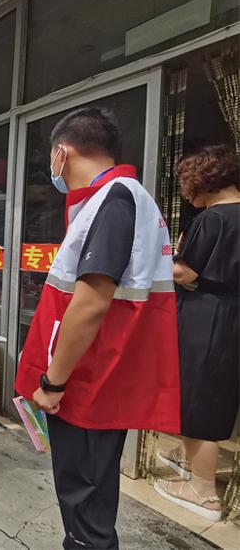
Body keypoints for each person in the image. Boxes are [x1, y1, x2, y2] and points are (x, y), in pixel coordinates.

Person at [14, 108, 180, 549]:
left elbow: (91, 301)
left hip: (90, 382)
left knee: (85, 507)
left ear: (60, 154)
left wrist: (52, 381)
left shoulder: (114, 199)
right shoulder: (116, 199)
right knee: (88, 502)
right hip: (98, 376)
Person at [154, 144, 240, 522]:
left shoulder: (213, 218)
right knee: (217, 395)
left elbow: (183, 273)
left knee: (195, 398)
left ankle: (203, 492)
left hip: (206, 317)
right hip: (233, 316)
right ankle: (192, 463)